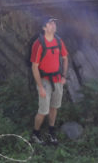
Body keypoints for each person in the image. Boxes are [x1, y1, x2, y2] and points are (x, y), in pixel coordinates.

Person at [30, 17, 69, 145]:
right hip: (44, 80)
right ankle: (35, 134)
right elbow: (34, 67)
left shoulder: (59, 41)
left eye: (54, 23)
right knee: (43, 111)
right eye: (50, 24)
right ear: (44, 28)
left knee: (54, 107)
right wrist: (40, 86)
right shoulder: (38, 44)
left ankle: (51, 132)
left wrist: (63, 76)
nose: (53, 25)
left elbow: (65, 58)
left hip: (57, 79)